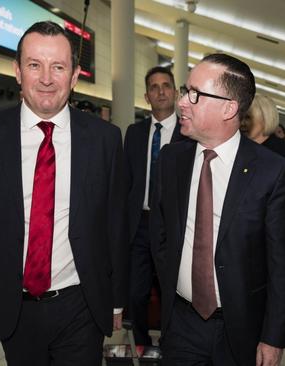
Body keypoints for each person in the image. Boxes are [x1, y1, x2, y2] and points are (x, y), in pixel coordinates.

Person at [0, 21, 128, 365]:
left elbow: (115, 226)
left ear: (74, 76)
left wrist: (116, 300)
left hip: (81, 303)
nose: (46, 78)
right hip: (14, 305)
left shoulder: (105, 139)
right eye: (34, 65)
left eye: (58, 67)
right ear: (17, 71)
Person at [150, 53, 285, 366]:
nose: (182, 103)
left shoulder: (272, 172)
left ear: (229, 108)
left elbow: (282, 265)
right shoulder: (171, 160)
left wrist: (273, 337)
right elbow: (161, 235)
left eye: (195, 94)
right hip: (181, 323)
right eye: (184, 90)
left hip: (241, 329)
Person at [123, 66, 183, 347]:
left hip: (174, 226)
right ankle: (141, 342)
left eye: (166, 85)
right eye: (154, 87)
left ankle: (173, 342)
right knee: (136, 292)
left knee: (173, 291)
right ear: (146, 96)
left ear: (175, 92)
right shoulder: (134, 134)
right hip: (140, 226)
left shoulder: (189, 134)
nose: (161, 91)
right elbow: (126, 182)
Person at [242, 93, 285, 217]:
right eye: (242, 118)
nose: (243, 123)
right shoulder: (239, 148)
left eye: (248, 118)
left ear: (265, 118)